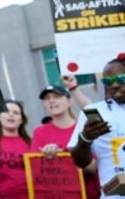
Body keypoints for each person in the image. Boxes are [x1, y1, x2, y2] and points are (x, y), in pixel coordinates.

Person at [32, 85, 100, 198]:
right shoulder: (39, 132)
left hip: (88, 194)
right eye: (47, 98)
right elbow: (35, 169)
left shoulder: (85, 127)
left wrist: (63, 156)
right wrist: (47, 157)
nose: (51, 100)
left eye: (57, 96)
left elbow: (93, 166)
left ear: (69, 102)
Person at [70, 58, 125, 198]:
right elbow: (80, 162)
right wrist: (85, 139)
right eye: (108, 81)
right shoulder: (94, 112)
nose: (114, 85)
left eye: (120, 78)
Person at [0, 99, 32, 199]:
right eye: (6, 111)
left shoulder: (32, 143)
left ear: (22, 120)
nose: (11, 115)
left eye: (16, 113)